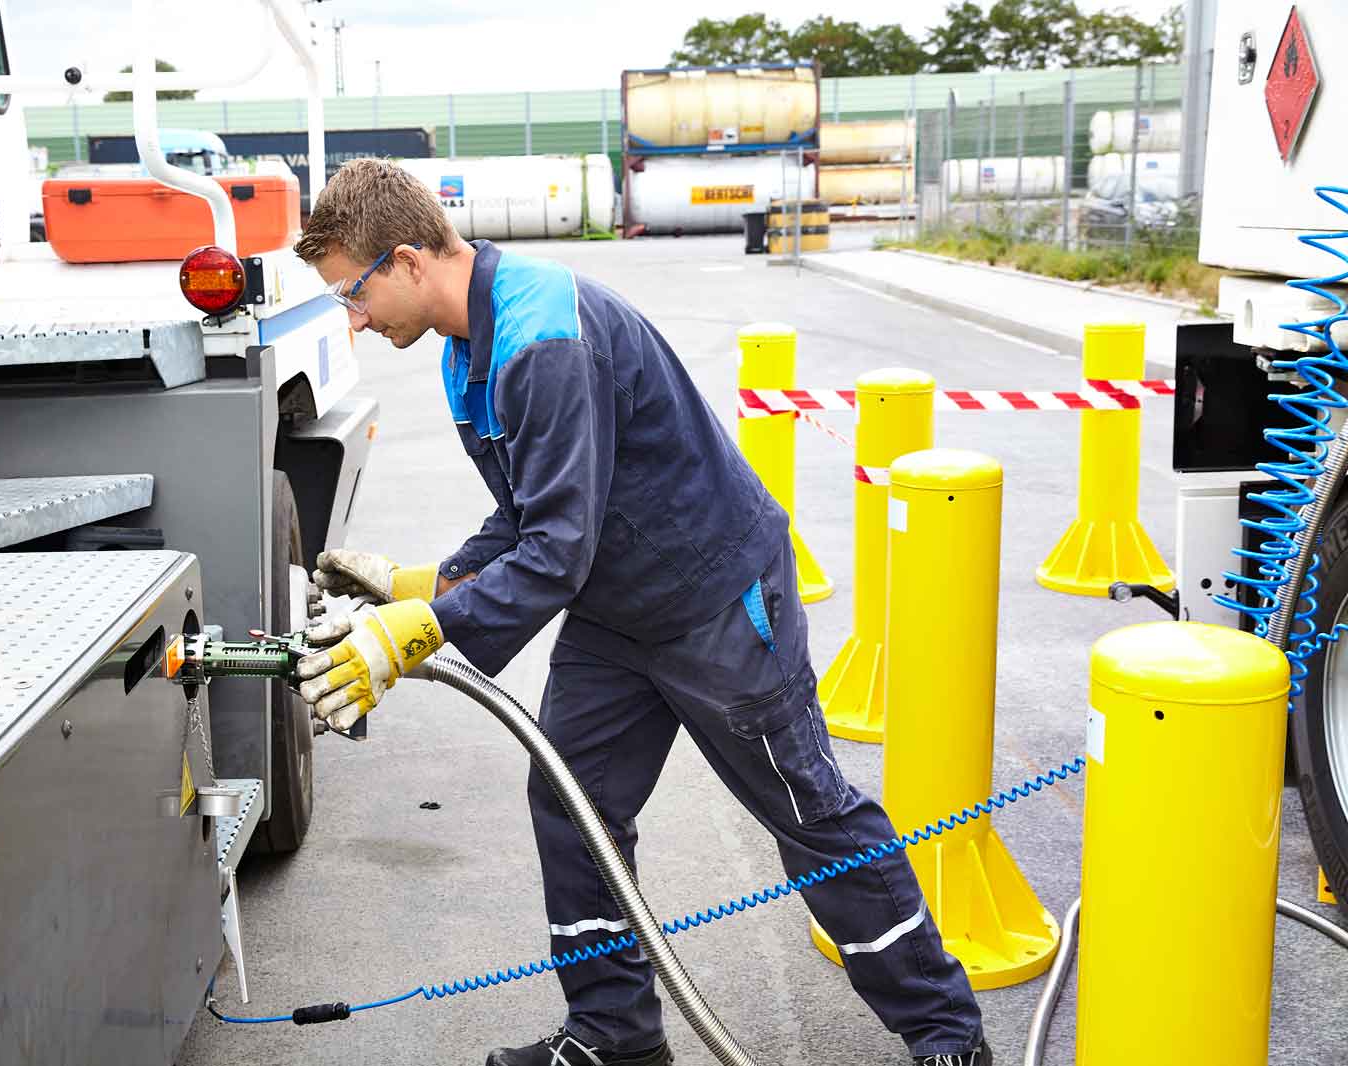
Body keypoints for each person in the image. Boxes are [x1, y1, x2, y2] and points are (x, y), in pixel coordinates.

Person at [290, 158, 990, 1066]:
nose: (352, 318)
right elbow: (529, 511)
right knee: (572, 801)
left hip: (714, 598)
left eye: (352, 292)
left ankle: (946, 1036)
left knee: (809, 810)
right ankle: (615, 1036)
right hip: (615, 610)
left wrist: (413, 635)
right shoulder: (470, 344)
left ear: (410, 260)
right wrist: (428, 583)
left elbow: (555, 551)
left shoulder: (542, 339)